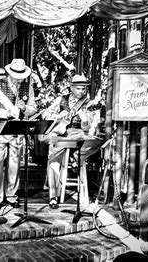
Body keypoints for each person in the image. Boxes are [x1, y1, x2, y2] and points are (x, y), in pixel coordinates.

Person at [0, 60, 37, 212]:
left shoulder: (28, 88)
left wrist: (25, 108)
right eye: (16, 76)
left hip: (17, 129)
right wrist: (6, 113)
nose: (18, 79)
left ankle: (12, 195)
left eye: (21, 76)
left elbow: (33, 109)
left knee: (14, 164)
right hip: (0, 128)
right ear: (9, 73)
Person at [41, 74, 99, 209]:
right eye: (79, 89)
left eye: (84, 89)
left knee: (96, 143)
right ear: (71, 87)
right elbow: (45, 114)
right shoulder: (61, 99)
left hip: (79, 134)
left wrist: (85, 120)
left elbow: (88, 127)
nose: (82, 92)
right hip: (62, 133)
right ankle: (53, 196)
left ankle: (76, 158)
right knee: (53, 159)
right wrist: (56, 116)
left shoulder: (89, 104)